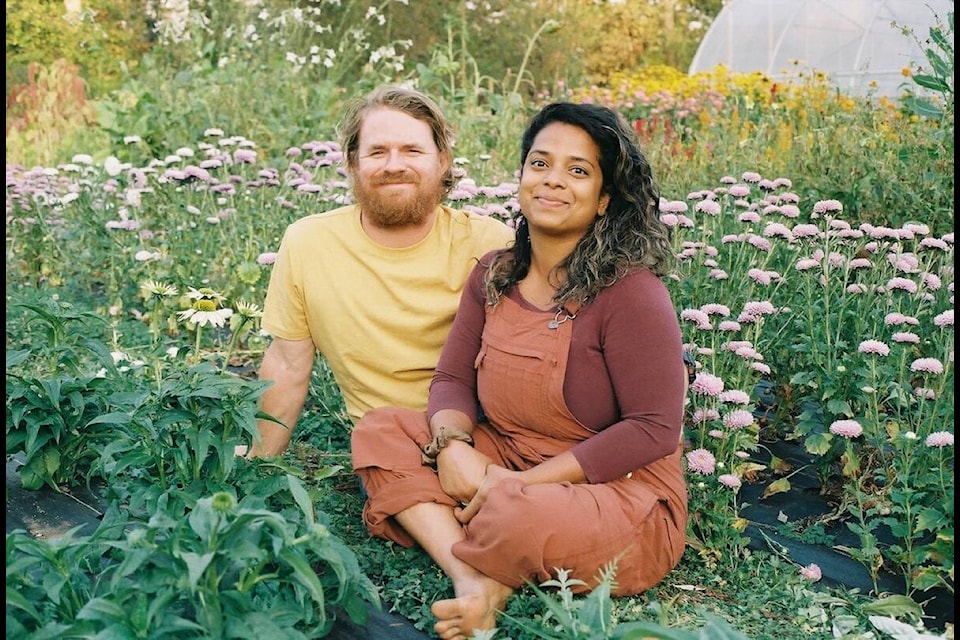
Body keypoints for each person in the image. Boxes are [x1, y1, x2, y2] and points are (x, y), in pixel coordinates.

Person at [351, 102, 688, 640]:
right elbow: (452, 380)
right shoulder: (494, 273)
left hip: (614, 493)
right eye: (540, 163)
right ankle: (473, 576)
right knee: (382, 431)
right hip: (503, 454)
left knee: (517, 514)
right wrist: (454, 445)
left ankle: (482, 533)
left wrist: (518, 487)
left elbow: (654, 428)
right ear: (522, 177)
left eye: (578, 170)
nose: (554, 180)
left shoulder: (632, 293)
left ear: (603, 199)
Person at [248, 85, 514, 458]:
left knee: (496, 505)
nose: (393, 165)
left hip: (485, 434)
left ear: (442, 161)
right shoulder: (309, 243)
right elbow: (287, 365)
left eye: (412, 150)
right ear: (353, 162)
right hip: (388, 443)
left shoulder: (490, 243)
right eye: (377, 152)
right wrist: (256, 467)